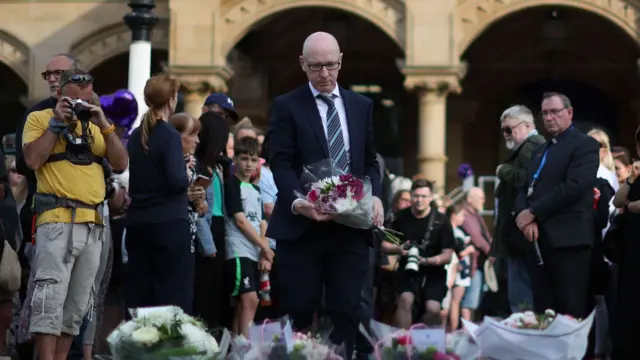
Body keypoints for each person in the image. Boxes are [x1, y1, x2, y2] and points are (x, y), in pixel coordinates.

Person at [267, 31, 383, 356]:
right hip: (303, 228)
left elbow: (370, 161)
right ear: (302, 64)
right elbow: (281, 162)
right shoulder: (286, 106)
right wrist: (296, 201)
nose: (324, 74)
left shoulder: (362, 106)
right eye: (316, 66)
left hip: (350, 229)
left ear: (341, 61)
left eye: (331, 65)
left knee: (346, 313)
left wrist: (375, 196)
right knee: (300, 311)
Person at [22, 69, 128, 360]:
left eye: (86, 99)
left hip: (93, 225)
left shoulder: (96, 126)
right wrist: (57, 122)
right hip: (57, 220)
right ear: (60, 96)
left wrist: (103, 122)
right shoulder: (40, 119)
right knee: (49, 300)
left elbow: (120, 163)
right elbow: (31, 160)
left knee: (77, 305)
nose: (80, 106)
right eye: (74, 100)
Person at [515, 91, 599, 319]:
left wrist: (534, 212)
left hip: (569, 241)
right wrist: (524, 218)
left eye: (555, 112)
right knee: (544, 311)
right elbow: (524, 188)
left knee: (570, 311)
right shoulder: (541, 150)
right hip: (538, 241)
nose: (549, 118)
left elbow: (575, 186)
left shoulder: (585, 145)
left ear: (569, 113)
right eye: (544, 113)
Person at [125, 73, 194, 314]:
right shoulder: (169, 135)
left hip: (137, 223)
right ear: (172, 99)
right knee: (171, 297)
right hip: (168, 224)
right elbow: (176, 182)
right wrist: (185, 172)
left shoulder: (135, 136)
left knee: (140, 295)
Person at [493, 105, 546, 313]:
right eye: (503, 130)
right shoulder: (528, 146)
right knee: (519, 293)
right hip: (518, 232)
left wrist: (503, 171)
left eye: (509, 129)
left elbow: (530, 180)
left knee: (522, 297)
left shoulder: (533, 145)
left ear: (526, 126)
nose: (505, 135)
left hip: (523, 231)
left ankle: (526, 337)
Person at [223, 136, 271, 337]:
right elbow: (240, 221)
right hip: (238, 250)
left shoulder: (257, 189)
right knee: (250, 300)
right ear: (235, 159)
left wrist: (263, 252)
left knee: (243, 306)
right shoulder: (231, 184)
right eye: (244, 159)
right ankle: (246, 351)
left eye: (253, 160)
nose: (249, 164)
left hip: (254, 252)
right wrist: (266, 248)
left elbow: (261, 222)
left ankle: (235, 351)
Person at [392, 179, 454, 329]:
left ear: (431, 197)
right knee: (405, 299)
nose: (419, 200)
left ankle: (431, 347)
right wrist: (399, 249)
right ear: (411, 196)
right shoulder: (400, 217)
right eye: (416, 196)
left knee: (433, 308)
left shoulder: (441, 221)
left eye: (424, 196)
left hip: (434, 271)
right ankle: (402, 344)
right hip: (407, 268)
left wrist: (427, 261)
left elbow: (448, 255)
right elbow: (385, 245)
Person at [192, 111, 230, 329]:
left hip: (219, 229)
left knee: (215, 294)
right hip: (206, 235)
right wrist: (208, 245)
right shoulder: (197, 166)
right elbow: (198, 211)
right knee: (204, 293)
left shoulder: (217, 168)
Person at [611, 130, 640, 359]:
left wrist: (630, 206)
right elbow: (617, 200)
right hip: (632, 251)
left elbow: (629, 205)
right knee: (629, 306)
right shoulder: (637, 175)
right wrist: (630, 179)